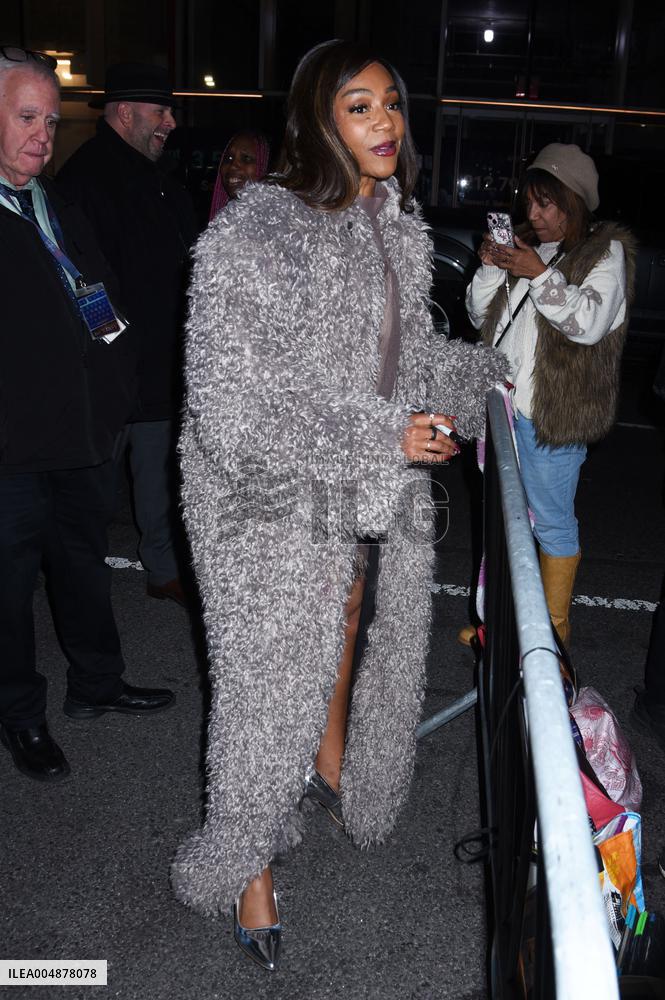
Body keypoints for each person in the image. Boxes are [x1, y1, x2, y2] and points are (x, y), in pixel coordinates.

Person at [170, 39, 507, 971]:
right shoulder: (260, 230)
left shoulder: (388, 221)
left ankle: (325, 768)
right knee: (262, 681)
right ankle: (243, 869)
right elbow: (234, 405)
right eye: (359, 107)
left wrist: (480, 376)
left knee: (348, 614)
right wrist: (382, 437)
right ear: (318, 119)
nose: (385, 122)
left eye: (391, 103)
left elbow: (389, 360)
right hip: (257, 492)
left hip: (345, 480)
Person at [0, 48, 173, 783]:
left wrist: (114, 377)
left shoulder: (55, 206)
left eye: (49, 118)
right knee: (8, 593)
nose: (43, 134)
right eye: (25, 116)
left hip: (79, 437)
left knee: (84, 569)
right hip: (10, 449)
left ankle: (96, 685)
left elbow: (99, 300)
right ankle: (21, 717)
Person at [465, 143, 636, 645]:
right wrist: (495, 266)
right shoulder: (528, 248)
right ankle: (497, 628)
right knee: (504, 522)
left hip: (553, 418)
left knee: (552, 526)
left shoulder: (605, 253)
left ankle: (552, 638)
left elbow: (587, 323)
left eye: (547, 204)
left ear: (574, 202)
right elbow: (480, 316)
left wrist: (537, 275)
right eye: (530, 202)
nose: (533, 215)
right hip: (504, 409)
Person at [57, 63, 199, 608]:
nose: (170, 122)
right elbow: (80, 278)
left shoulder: (158, 177)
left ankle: (162, 569)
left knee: (160, 479)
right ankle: (79, 587)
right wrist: (110, 346)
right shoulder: (85, 179)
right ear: (125, 113)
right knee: (91, 488)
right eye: (160, 111)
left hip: (160, 370)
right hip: (112, 374)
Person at [209, 130, 270, 220]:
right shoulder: (223, 220)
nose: (233, 166)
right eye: (229, 158)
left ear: (264, 165)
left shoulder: (276, 223)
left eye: (246, 159)